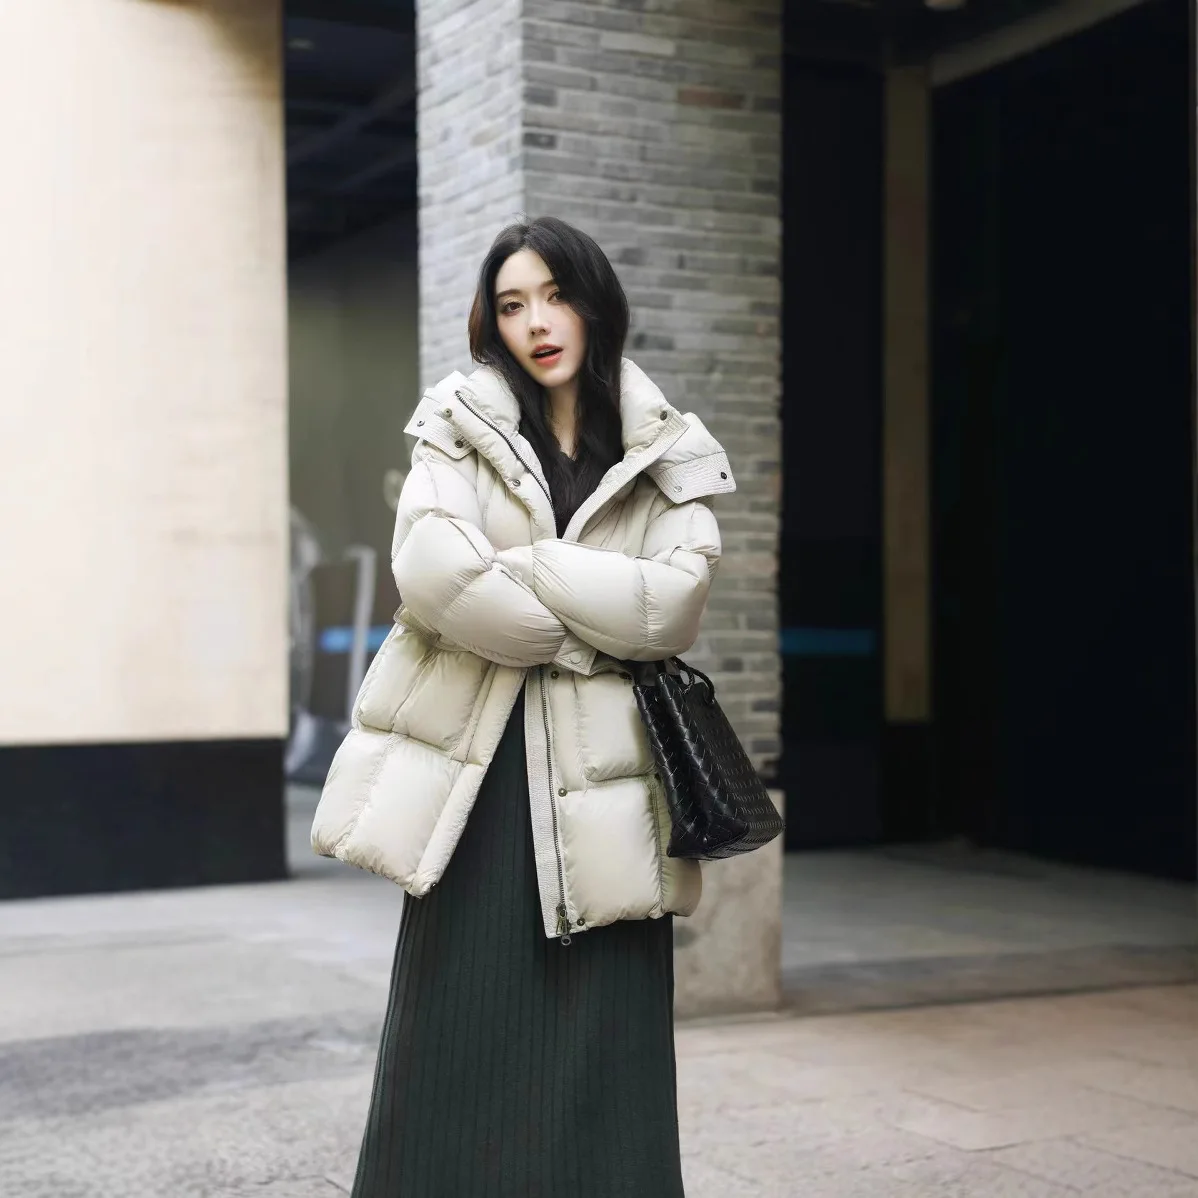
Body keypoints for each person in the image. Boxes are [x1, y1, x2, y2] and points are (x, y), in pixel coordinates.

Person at [311, 215, 736, 1197]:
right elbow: (434, 575)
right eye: (511, 303)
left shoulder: (663, 445)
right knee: (456, 1021)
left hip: (612, 779)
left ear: (594, 303)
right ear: (490, 321)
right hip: (482, 767)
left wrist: (534, 568)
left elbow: (673, 603)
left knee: (608, 1022)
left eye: (554, 294)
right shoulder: (454, 424)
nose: (537, 321)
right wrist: (596, 620)